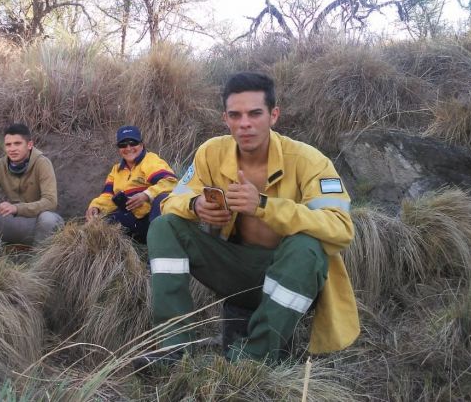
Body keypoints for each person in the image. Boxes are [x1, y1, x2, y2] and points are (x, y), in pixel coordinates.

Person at [135, 72, 359, 369]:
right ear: (224, 118)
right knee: (165, 226)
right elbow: (173, 200)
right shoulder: (210, 153)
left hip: (291, 274)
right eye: (235, 115)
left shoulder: (309, 161)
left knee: (306, 247)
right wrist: (196, 205)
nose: (245, 124)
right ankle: (173, 348)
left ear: (273, 115)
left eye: (255, 113)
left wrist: (264, 205)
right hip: (235, 269)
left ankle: (255, 358)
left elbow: (341, 228)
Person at [0, 123, 63, 258]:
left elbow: (50, 202)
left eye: (17, 143)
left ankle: (38, 268)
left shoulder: (43, 163)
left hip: (37, 225)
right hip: (13, 223)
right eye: (8, 145)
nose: (12, 149)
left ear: (29, 145)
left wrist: (16, 208)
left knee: (48, 219)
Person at [85, 126, 178, 243]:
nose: (128, 148)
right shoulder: (116, 170)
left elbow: (171, 182)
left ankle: (159, 249)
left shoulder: (150, 160)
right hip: (130, 220)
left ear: (142, 144)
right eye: (123, 144)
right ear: (118, 148)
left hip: (151, 219)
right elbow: (107, 196)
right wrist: (95, 207)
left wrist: (146, 195)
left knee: (162, 199)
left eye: (133, 143)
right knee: (97, 224)